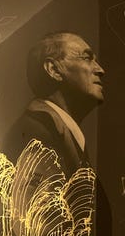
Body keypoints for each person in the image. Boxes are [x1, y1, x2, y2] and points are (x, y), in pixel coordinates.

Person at [10, 32, 105, 178]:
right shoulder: (37, 135)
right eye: (87, 58)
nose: (100, 70)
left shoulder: (53, 131)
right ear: (53, 70)